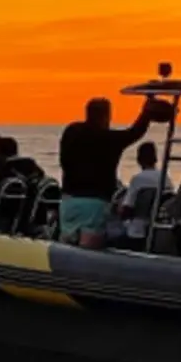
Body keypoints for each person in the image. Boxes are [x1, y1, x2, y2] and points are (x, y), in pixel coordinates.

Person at [59, 96, 154, 249]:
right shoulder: (110, 139)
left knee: (67, 247)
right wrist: (147, 112)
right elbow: (135, 132)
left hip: (69, 202)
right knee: (89, 252)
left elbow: (63, 161)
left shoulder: (71, 131)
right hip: (95, 204)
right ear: (106, 116)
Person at [120, 141, 174, 243]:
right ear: (156, 159)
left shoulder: (137, 179)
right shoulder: (165, 178)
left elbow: (127, 208)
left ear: (138, 160)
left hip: (136, 230)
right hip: (157, 226)